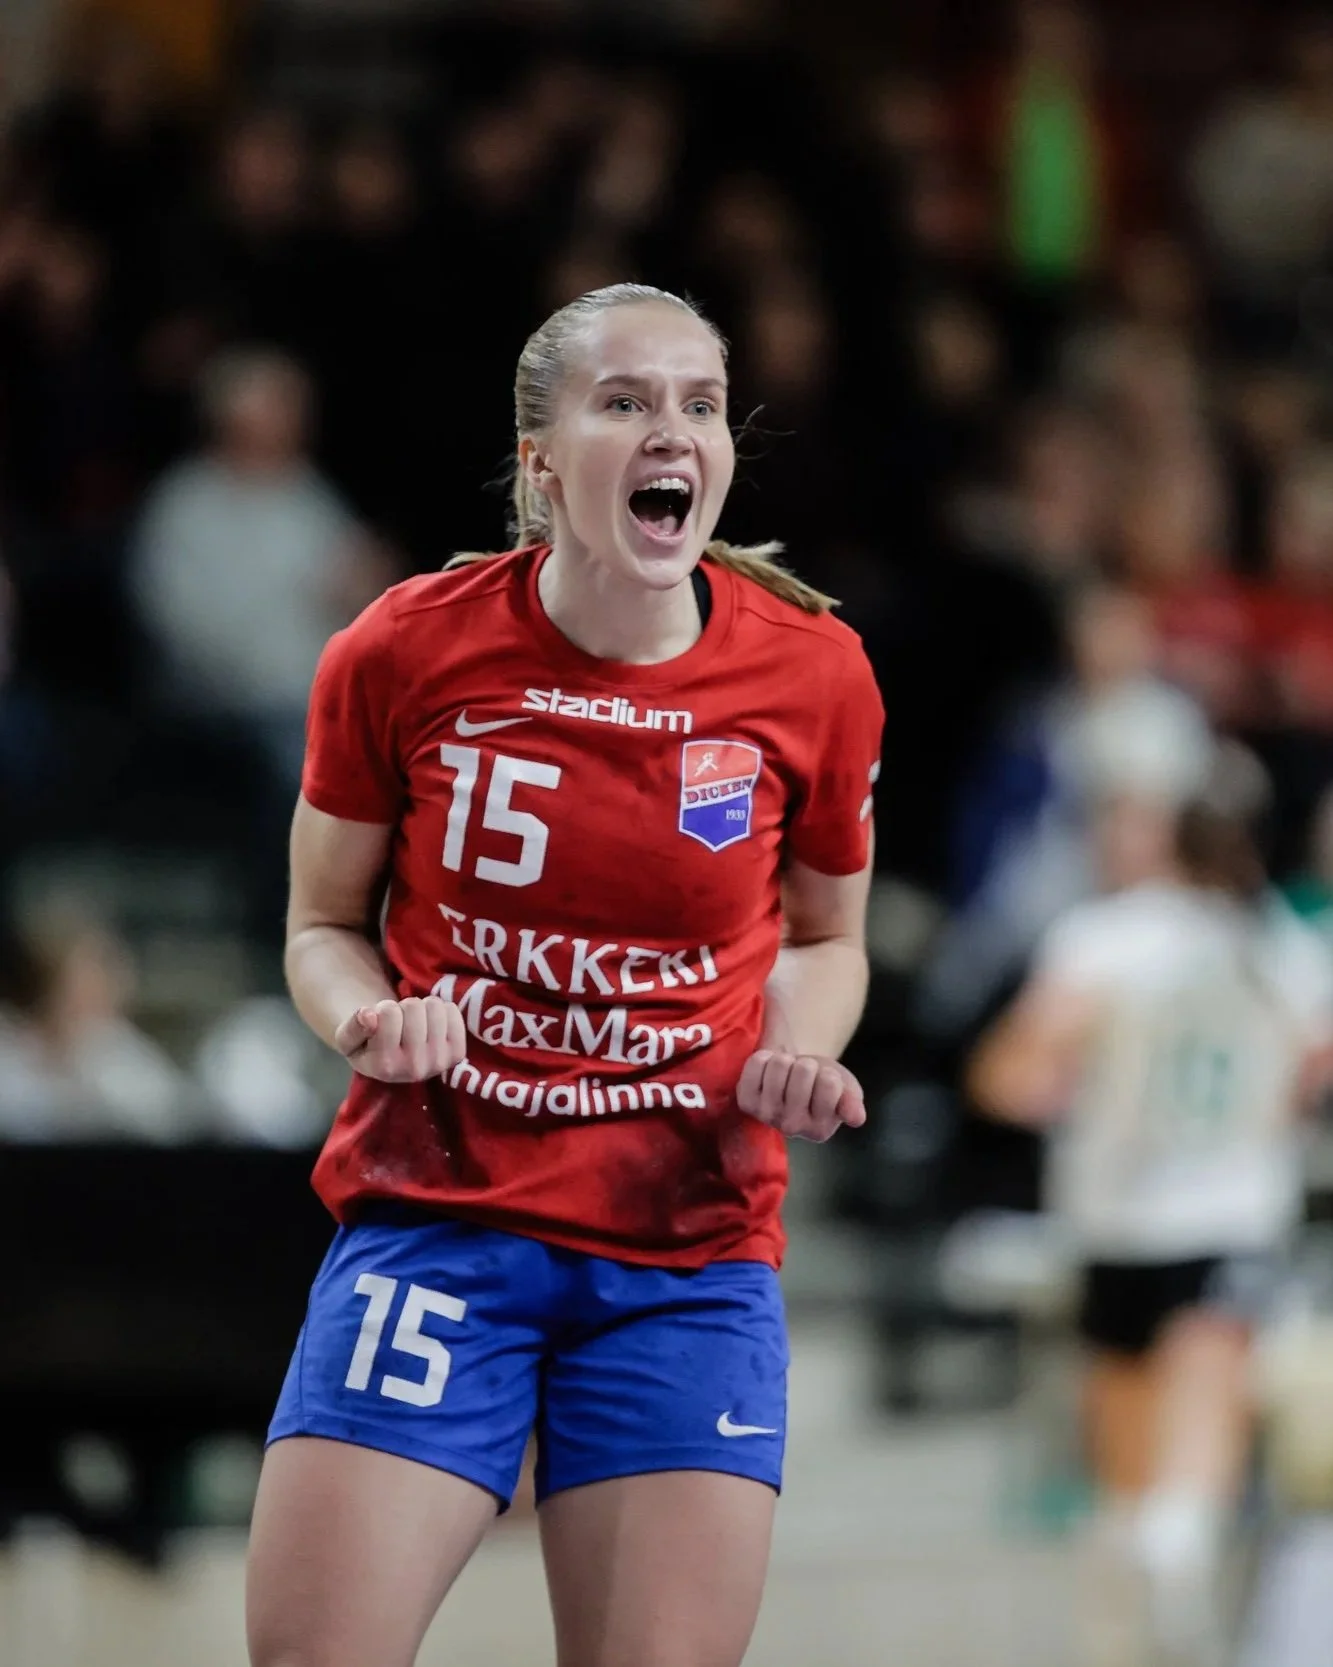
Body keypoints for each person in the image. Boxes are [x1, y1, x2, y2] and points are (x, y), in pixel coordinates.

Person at [246, 282, 884, 1667]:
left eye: (700, 404)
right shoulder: (402, 646)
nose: (673, 431)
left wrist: (799, 1046)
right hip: (440, 1217)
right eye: (626, 401)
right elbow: (319, 923)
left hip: (685, 1246)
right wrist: (366, 1018)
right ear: (541, 459)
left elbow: (827, 938)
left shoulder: (815, 674)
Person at [969, 746, 1333, 1666]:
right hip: (1230, 1218)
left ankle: (1135, 1621)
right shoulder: (1279, 945)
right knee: (1192, 1467)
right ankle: (1174, 1596)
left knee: (1129, 1478)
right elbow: (1308, 1073)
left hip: (1117, 1220)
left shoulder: (1103, 940)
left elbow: (1010, 1075)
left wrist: (1080, 1087)